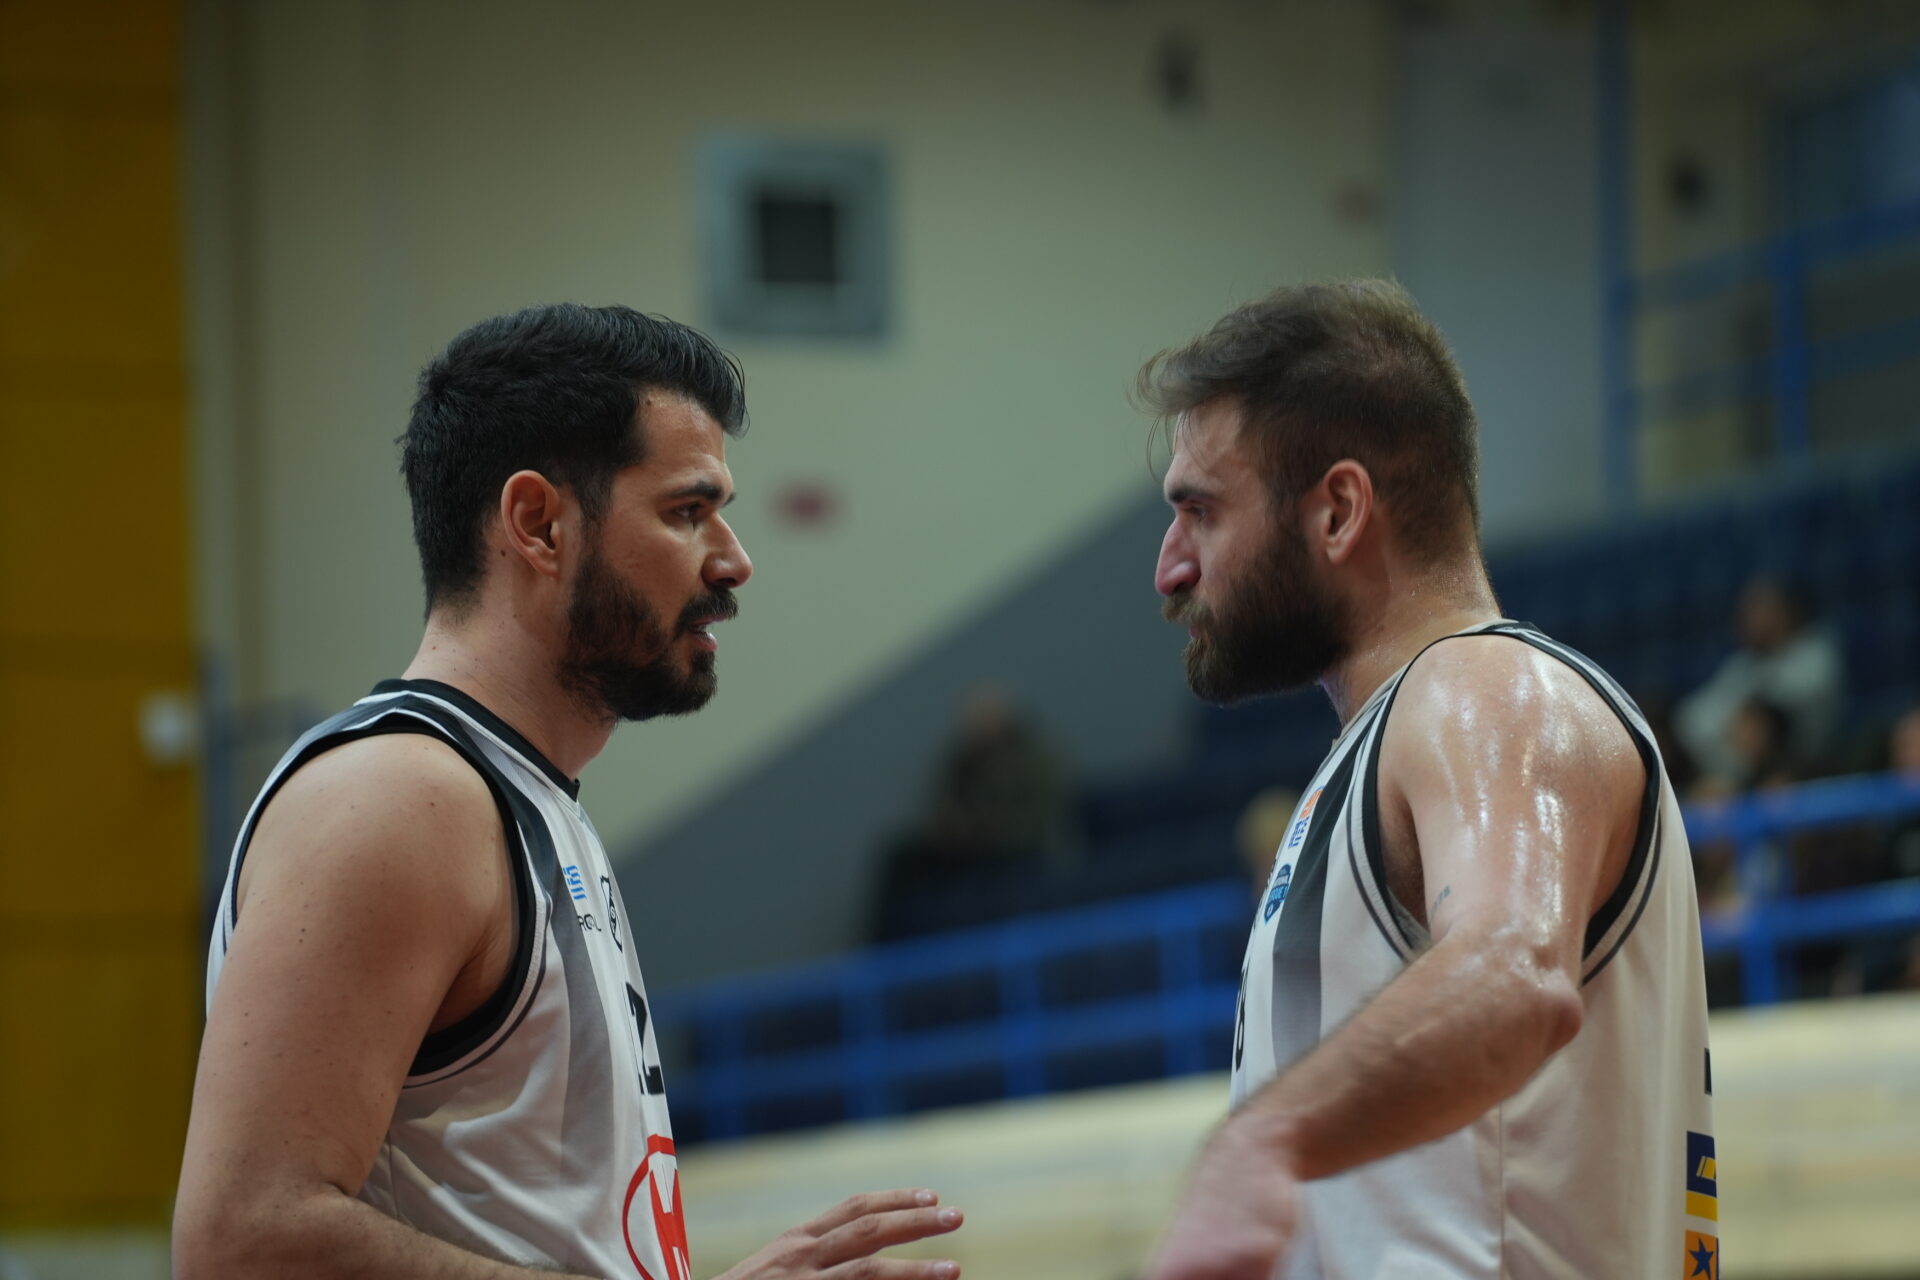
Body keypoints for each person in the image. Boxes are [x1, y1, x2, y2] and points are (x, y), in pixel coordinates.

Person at [173, 305, 965, 1280]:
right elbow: (243, 1237)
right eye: (688, 511)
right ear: (539, 524)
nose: (734, 558)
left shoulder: (520, 798)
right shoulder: (397, 799)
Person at [1135, 281, 1715, 1279]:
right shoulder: (1389, 738)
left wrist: (1258, 1140)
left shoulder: (1487, 688)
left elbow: (1513, 972)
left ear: (1338, 510)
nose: (1169, 569)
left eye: (1201, 511)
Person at [1676, 574, 1845, 787]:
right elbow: (1692, 721)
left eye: (1759, 609)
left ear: (1785, 612)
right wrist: (1730, 723)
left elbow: (1792, 713)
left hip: (1809, 769)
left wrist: (1753, 715)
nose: (1748, 619)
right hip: (1740, 774)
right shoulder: (1742, 665)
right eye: (1747, 611)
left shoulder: (1815, 653)